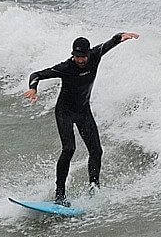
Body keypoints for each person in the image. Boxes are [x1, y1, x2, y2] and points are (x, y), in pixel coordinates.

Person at [23, 31, 140, 206]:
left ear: (88, 53)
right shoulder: (66, 68)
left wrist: (121, 37)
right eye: (77, 57)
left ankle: (94, 188)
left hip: (83, 111)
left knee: (96, 151)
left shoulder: (94, 55)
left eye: (83, 56)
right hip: (65, 112)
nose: (81, 60)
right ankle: (60, 195)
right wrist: (33, 88)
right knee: (69, 149)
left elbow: (110, 42)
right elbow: (37, 75)